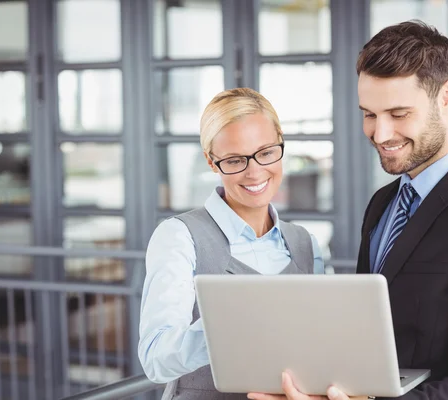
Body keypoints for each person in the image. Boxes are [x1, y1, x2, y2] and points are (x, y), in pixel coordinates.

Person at [248, 20, 448, 400]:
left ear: (447, 96)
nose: (380, 134)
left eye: (399, 113)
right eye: (369, 114)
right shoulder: (382, 204)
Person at [138, 87, 325, 400]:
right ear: (212, 162)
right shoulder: (179, 236)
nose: (255, 172)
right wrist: (227, 325)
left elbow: (319, 350)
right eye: (236, 160)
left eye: (266, 152)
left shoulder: (306, 245)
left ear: (280, 141)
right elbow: (156, 360)